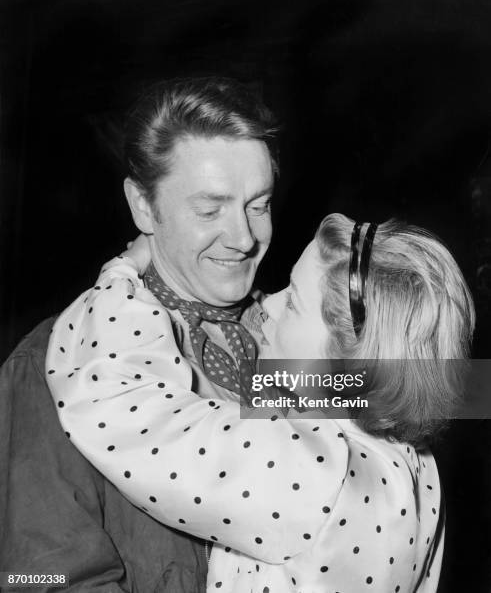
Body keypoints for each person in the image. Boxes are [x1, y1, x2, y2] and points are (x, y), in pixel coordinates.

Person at [46, 213, 475, 592]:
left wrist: (123, 274)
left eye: (293, 301)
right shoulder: (415, 463)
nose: (268, 302)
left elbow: (120, 400)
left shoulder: (318, 471)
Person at [0, 76, 278, 591]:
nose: (243, 239)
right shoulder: (60, 361)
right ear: (143, 206)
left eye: (258, 205)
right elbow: (37, 577)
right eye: (209, 209)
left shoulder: (280, 340)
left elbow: (433, 392)